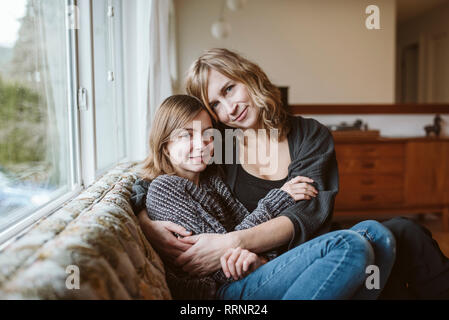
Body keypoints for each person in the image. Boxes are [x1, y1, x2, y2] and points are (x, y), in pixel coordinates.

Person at [132, 48, 449, 299]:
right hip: (252, 270)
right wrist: (145, 221)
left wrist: (232, 241)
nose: (229, 108)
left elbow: (307, 213)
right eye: (215, 104)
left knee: (399, 231)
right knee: (381, 242)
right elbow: (157, 178)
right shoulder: (219, 146)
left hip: (301, 251)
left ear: (249, 76)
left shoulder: (308, 134)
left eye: (229, 89)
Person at [138, 94, 395, 300]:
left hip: (251, 273)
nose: (201, 144)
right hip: (221, 292)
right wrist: (280, 197)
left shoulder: (212, 179)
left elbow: (234, 236)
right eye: (186, 135)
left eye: (207, 134)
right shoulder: (165, 189)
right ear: (165, 145)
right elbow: (219, 262)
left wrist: (260, 258)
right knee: (348, 245)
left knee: (376, 234)